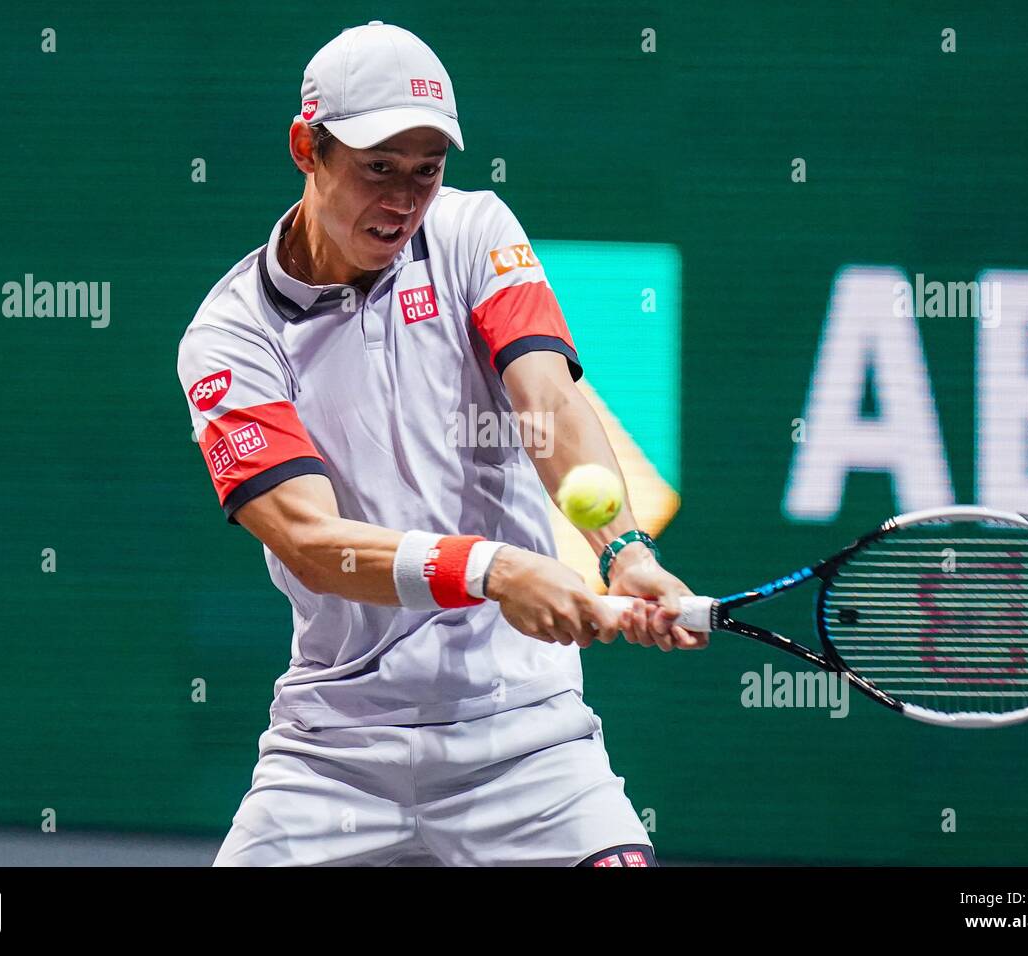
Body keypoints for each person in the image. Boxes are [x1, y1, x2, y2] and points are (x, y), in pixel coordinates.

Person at [177, 21, 705, 867]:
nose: (403, 200)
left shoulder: (473, 231)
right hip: (335, 754)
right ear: (306, 148)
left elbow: (548, 402)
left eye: (426, 170)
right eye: (377, 167)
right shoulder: (230, 336)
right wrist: (495, 569)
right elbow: (311, 543)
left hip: (528, 742)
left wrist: (624, 546)